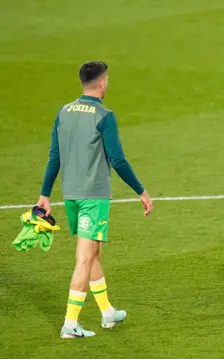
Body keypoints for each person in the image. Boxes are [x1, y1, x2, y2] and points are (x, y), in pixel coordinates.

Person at [37, 61, 153, 338]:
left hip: (71, 196)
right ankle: (70, 324)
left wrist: (44, 194)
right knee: (85, 259)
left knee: (94, 253)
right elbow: (117, 159)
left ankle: (107, 312)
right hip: (93, 197)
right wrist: (141, 190)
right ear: (102, 82)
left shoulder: (63, 112)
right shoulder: (104, 115)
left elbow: (55, 156)